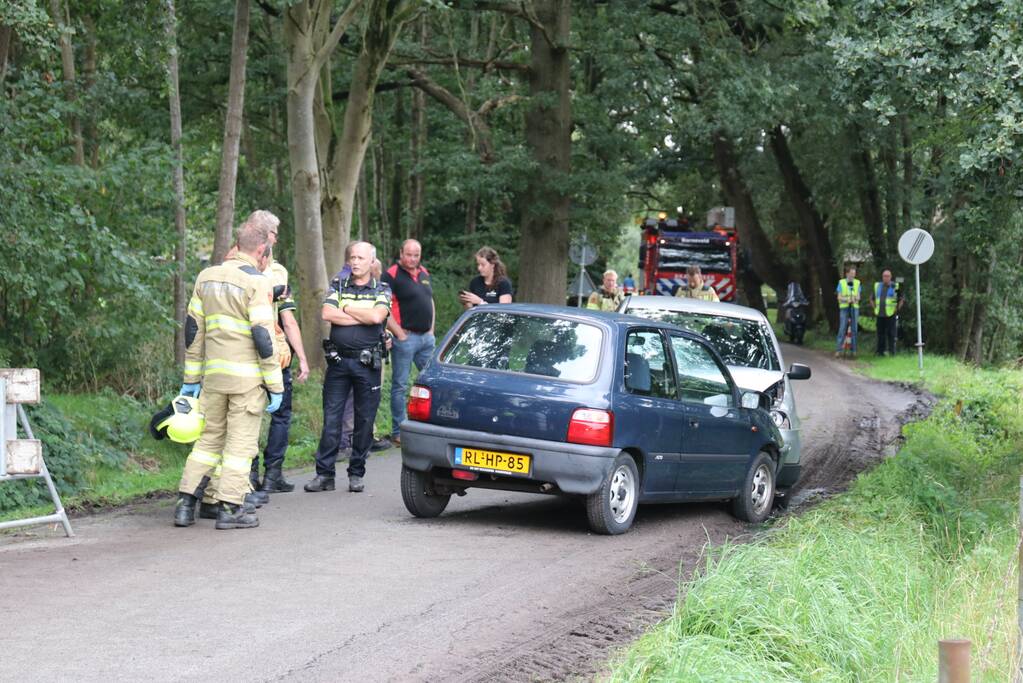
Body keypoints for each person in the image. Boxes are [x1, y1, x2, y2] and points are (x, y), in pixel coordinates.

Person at [173, 216, 284, 530]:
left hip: (213, 379)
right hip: (246, 382)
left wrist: (191, 380)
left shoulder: (206, 277)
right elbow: (263, 337)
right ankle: (230, 508)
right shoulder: (257, 281)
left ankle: (186, 504)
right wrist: (275, 385)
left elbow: (193, 332)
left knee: (207, 441)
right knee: (240, 447)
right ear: (261, 250)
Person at [305, 241, 390, 494]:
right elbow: (327, 314)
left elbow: (377, 317)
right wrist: (362, 316)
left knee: (364, 420)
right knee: (331, 419)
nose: (355, 262)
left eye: (361, 258)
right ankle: (324, 475)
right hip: (339, 362)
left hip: (367, 364)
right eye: (352, 257)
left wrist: (345, 307)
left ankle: (356, 473)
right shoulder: (338, 285)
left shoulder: (382, 288)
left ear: (371, 262)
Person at [250, 213, 311, 494]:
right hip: (265, 355)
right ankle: (268, 476)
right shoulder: (274, 272)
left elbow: (288, 318)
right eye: (274, 233)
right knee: (276, 414)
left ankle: (255, 475)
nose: (277, 238)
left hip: (258, 354)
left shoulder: (232, 264)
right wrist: (303, 358)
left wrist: (302, 356)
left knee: (254, 413)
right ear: (264, 235)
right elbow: (287, 320)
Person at [381, 240, 434, 448]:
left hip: (426, 338)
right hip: (405, 339)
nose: (412, 259)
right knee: (400, 385)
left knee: (434, 381)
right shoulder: (391, 275)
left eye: (416, 255)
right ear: (401, 253)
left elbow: (430, 301)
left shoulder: (424, 272)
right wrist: (399, 334)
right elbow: (383, 307)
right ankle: (399, 431)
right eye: (409, 254)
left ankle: (432, 427)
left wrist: (431, 329)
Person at [869, 269, 903, 356]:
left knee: (891, 333)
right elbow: (871, 298)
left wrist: (897, 309)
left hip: (890, 314)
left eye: (887, 276)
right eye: (884, 276)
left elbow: (901, 299)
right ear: (882, 277)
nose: (886, 278)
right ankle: (880, 352)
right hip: (880, 314)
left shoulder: (895, 286)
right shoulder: (877, 286)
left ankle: (892, 352)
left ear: (890, 277)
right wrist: (874, 308)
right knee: (880, 334)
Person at [835, 265, 862, 357]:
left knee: (854, 329)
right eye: (851, 274)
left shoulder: (857, 282)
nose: (853, 275)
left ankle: (853, 351)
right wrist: (847, 299)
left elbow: (858, 296)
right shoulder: (841, 282)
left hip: (854, 308)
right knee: (842, 328)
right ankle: (839, 350)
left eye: (854, 274)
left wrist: (854, 299)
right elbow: (839, 297)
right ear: (847, 274)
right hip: (844, 308)